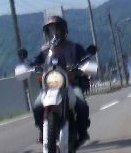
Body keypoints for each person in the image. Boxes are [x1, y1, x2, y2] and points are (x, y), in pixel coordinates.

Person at [27, 15, 92, 145]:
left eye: (56, 29)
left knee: (81, 105)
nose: (54, 32)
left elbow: (85, 60)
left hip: (71, 84)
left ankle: (82, 132)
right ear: (47, 32)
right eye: (50, 30)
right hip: (50, 86)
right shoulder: (44, 50)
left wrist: (84, 66)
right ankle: (42, 131)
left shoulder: (74, 47)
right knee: (37, 106)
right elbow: (34, 62)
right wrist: (30, 67)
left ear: (63, 30)